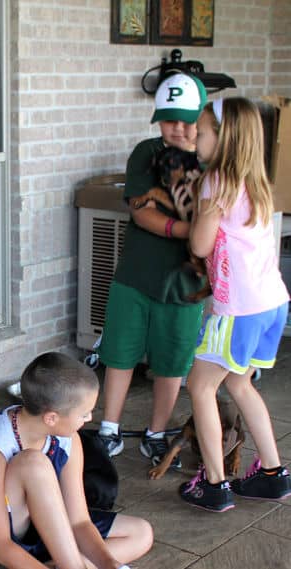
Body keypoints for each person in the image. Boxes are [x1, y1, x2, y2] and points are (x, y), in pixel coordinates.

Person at [0, 352, 153, 568]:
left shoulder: (70, 438)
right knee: (33, 464)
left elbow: (79, 521)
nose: (90, 419)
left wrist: (108, 564)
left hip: (35, 526)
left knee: (141, 533)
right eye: (84, 413)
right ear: (51, 418)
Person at [178, 98, 291, 512]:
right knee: (239, 383)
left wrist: (196, 220)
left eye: (202, 131)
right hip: (272, 303)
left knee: (200, 385)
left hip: (239, 309)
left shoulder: (217, 182)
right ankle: (273, 474)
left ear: (223, 138)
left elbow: (201, 244)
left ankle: (214, 483)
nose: (195, 137)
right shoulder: (255, 180)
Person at [96, 73, 208, 467]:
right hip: (136, 273)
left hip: (186, 283)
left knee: (172, 360)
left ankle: (156, 432)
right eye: (168, 119)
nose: (177, 128)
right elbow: (141, 212)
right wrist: (189, 230)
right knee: (120, 351)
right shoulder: (146, 152)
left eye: (186, 119)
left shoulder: (214, 160)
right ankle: (109, 428)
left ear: (202, 117)